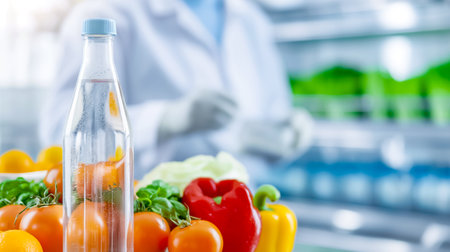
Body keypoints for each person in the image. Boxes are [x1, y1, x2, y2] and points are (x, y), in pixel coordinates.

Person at [40, 0, 313, 179]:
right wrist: (165, 119)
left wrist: (289, 132)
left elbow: (274, 109)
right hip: (159, 221)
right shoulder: (105, 13)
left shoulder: (251, 19)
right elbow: (60, 130)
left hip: (249, 214)